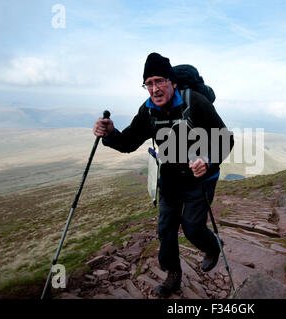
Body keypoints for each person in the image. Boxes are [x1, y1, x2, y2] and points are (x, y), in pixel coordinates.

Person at [93, 52, 234, 298]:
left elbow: (225, 138)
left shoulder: (196, 102)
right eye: (149, 83)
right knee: (166, 227)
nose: (155, 88)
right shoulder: (148, 111)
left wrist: (208, 162)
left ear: (173, 82)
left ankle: (213, 246)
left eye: (159, 81)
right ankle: (173, 275)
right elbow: (128, 142)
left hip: (199, 178)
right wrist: (111, 134)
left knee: (192, 227)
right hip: (169, 178)